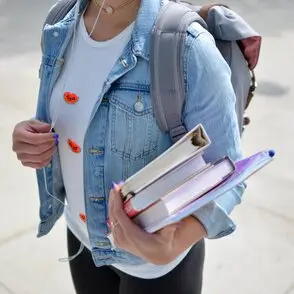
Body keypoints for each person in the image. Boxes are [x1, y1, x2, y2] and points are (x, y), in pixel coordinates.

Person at [12, 0, 245, 293]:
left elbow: (228, 171)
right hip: (82, 240)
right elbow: (71, 113)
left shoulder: (189, 47)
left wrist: (173, 244)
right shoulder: (60, 22)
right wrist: (31, 137)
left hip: (157, 269)